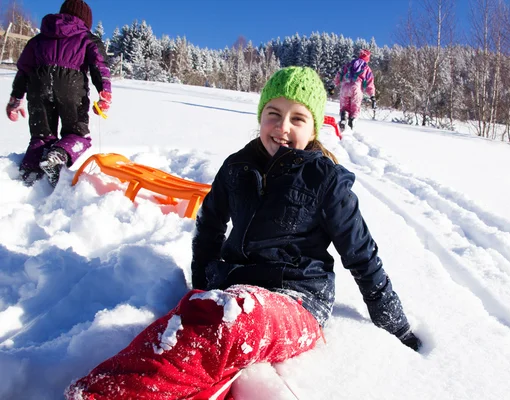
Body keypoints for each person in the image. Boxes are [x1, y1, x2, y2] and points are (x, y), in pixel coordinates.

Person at [65, 66, 420, 400]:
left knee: (234, 317)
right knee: (197, 316)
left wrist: (396, 327)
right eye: (274, 114)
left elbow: (361, 255)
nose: (282, 126)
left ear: (313, 129)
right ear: (260, 118)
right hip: (233, 289)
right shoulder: (237, 167)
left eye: (297, 118)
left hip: (298, 302)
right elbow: (209, 227)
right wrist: (203, 285)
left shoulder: (325, 181)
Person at [5, 0, 112, 187]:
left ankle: (28, 176)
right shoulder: (87, 38)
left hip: (38, 86)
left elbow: (23, 70)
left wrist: (16, 97)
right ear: (86, 20)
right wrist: (105, 92)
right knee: (79, 134)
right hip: (71, 86)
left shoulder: (38, 40)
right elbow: (99, 64)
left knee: (41, 136)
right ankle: (58, 155)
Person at [333, 48, 376, 132]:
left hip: (345, 87)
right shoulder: (367, 69)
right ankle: (352, 121)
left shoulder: (349, 64)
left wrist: (333, 85)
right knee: (355, 108)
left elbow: (339, 74)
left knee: (344, 106)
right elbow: (370, 83)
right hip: (356, 88)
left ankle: (344, 117)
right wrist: (372, 96)